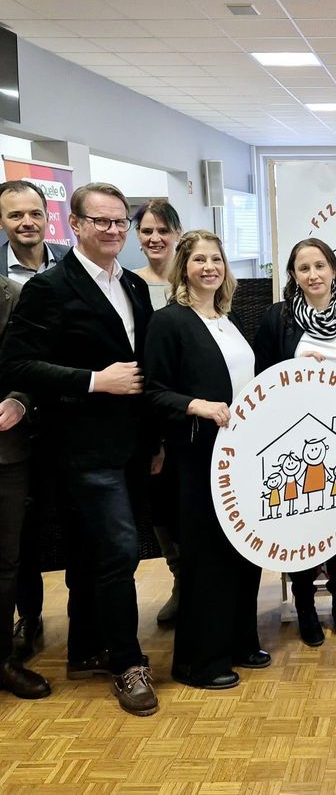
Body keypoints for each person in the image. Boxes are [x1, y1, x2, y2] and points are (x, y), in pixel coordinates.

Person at [0, 182, 157, 716]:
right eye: (101, 221)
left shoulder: (132, 284)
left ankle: (87, 648)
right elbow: (16, 364)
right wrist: (93, 381)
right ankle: (128, 665)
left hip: (131, 443)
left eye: (119, 222)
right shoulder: (50, 287)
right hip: (82, 448)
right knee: (119, 551)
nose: (113, 230)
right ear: (76, 225)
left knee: (96, 554)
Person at [145, 230, 268, 689]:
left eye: (216, 259)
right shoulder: (169, 322)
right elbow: (152, 392)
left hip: (241, 454)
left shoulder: (226, 318)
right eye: (199, 260)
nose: (209, 267)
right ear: (184, 268)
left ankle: (240, 641)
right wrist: (194, 404)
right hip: (199, 456)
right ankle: (198, 661)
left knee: (245, 550)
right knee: (208, 556)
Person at [254, 237, 336, 647]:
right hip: (292, 437)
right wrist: (294, 367)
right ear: (293, 275)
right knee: (299, 524)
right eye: (303, 268)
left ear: (333, 270)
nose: (313, 275)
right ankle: (305, 606)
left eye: (319, 266)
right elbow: (261, 379)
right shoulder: (277, 318)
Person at [0, 179, 69, 661]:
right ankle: (29, 617)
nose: (26, 222)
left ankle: (85, 627)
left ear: (48, 216)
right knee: (17, 531)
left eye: (34, 213)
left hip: (68, 415)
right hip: (13, 424)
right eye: (14, 215)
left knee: (71, 520)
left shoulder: (72, 264)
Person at [132, 200, 183, 624]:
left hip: (194, 413)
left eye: (163, 230)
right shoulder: (129, 285)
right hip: (149, 411)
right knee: (162, 504)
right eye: (147, 230)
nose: (155, 238)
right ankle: (180, 579)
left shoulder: (196, 281)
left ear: (177, 235)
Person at [0, 272, 50, 700]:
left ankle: (3, 660)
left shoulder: (16, 295)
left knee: (6, 562)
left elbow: (35, 363)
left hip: (7, 449)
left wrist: (20, 400)